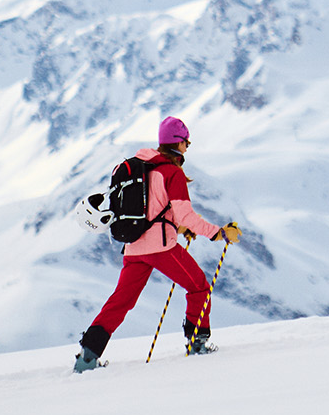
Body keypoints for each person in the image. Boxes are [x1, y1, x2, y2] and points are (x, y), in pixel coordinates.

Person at [75, 117, 242, 368]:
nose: (187, 147)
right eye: (187, 142)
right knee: (199, 287)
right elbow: (185, 214)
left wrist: (180, 227)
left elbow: (154, 209)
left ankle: (88, 356)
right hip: (161, 248)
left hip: (133, 247)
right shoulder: (171, 173)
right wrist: (218, 233)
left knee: (121, 301)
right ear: (179, 143)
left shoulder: (140, 166)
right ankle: (197, 343)